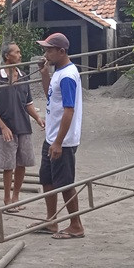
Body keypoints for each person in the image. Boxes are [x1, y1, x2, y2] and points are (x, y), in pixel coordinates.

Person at [36, 32, 85, 239]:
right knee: (46, 179)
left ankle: (76, 225)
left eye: (49, 50)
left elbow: (69, 110)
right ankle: (52, 220)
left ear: (61, 51)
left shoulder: (67, 76)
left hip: (62, 141)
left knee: (65, 183)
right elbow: (50, 95)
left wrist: (58, 142)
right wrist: (44, 73)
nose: (46, 53)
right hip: (52, 136)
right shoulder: (58, 71)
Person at [0, 42, 45, 210]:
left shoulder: (24, 76)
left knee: (22, 163)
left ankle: (16, 196)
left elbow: (28, 103)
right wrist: (3, 127)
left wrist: (38, 118)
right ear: (7, 56)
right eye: (17, 52)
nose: (20, 55)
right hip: (6, 128)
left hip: (24, 127)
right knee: (8, 166)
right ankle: (7, 199)